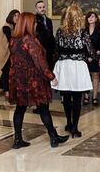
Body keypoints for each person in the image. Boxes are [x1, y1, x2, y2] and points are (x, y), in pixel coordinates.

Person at [8, 12, 69, 148]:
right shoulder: (29, 40)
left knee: (20, 109)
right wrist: (51, 76)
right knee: (44, 109)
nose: (36, 25)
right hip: (34, 80)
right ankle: (53, 137)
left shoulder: (14, 39)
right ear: (29, 23)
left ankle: (17, 140)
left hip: (18, 80)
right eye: (34, 22)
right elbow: (39, 61)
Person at [52, 4, 97, 138]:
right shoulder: (83, 32)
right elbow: (91, 51)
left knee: (66, 97)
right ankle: (75, 129)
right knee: (77, 98)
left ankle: (69, 123)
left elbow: (55, 50)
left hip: (64, 66)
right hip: (78, 66)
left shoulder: (60, 31)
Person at [33, 1, 55, 114]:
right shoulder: (34, 21)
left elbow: (51, 37)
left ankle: (45, 101)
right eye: (39, 7)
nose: (42, 9)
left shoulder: (49, 21)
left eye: (43, 7)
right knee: (38, 79)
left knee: (46, 77)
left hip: (49, 52)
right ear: (36, 9)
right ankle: (38, 104)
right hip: (39, 53)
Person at [0, 9, 20, 97]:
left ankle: (1, 88)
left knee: (5, 70)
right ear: (11, 16)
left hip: (9, 52)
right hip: (4, 53)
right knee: (6, 70)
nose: (17, 17)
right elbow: (10, 39)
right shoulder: (7, 27)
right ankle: (7, 92)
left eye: (18, 15)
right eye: (15, 15)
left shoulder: (15, 27)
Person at [84, 11, 100, 106]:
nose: (91, 18)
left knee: (95, 76)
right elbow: (82, 45)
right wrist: (87, 56)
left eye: (93, 16)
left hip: (96, 58)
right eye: (89, 17)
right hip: (85, 58)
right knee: (85, 77)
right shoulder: (83, 31)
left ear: (96, 19)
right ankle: (86, 96)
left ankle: (95, 97)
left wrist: (99, 52)